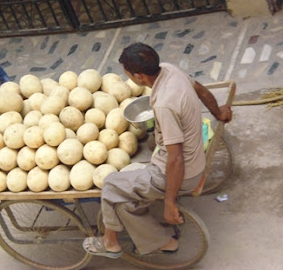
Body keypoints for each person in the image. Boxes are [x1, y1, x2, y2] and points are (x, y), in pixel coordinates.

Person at [83, 42, 232, 258]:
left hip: (181, 172)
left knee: (111, 185)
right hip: (192, 156)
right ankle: (165, 241)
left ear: (140, 77)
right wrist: (218, 112)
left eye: (128, 74)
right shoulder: (171, 70)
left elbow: (176, 159)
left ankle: (110, 243)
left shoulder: (164, 105)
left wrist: (170, 203)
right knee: (124, 205)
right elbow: (199, 89)